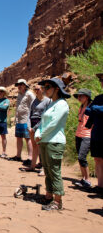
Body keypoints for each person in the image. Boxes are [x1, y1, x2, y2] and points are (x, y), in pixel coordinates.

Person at [35, 77, 70, 210]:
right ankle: (48, 196)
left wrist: (40, 134)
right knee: (47, 170)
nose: (45, 90)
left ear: (57, 89)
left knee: (54, 170)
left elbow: (53, 123)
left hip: (54, 141)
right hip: (45, 140)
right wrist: (39, 133)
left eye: (47, 87)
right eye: (44, 87)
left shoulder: (62, 104)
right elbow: (43, 122)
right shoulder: (50, 103)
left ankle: (57, 201)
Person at [25, 85, 51, 173]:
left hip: (41, 124)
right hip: (32, 124)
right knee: (34, 145)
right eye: (34, 89)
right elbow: (29, 114)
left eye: (37, 89)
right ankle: (32, 166)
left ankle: (44, 168)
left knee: (42, 146)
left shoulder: (48, 101)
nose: (36, 91)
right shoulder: (34, 101)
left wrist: (35, 127)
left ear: (42, 89)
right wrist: (29, 126)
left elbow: (45, 116)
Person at [9, 79, 35, 166]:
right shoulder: (19, 95)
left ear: (25, 85)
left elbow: (34, 105)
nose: (19, 86)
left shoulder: (29, 94)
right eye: (18, 84)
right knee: (19, 137)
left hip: (26, 120)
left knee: (28, 138)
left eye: (21, 84)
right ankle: (18, 156)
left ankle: (30, 158)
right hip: (19, 120)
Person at [85, 73, 103, 194]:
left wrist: (95, 108)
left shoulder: (96, 101)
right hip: (96, 134)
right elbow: (87, 111)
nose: (102, 81)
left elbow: (92, 109)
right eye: (102, 80)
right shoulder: (98, 98)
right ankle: (100, 186)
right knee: (97, 159)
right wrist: (96, 108)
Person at [73, 88, 93, 188]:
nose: (79, 98)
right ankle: (84, 178)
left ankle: (88, 179)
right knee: (80, 158)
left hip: (87, 135)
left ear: (87, 97)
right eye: (79, 96)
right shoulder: (81, 107)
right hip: (79, 134)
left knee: (82, 157)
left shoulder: (91, 107)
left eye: (82, 96)